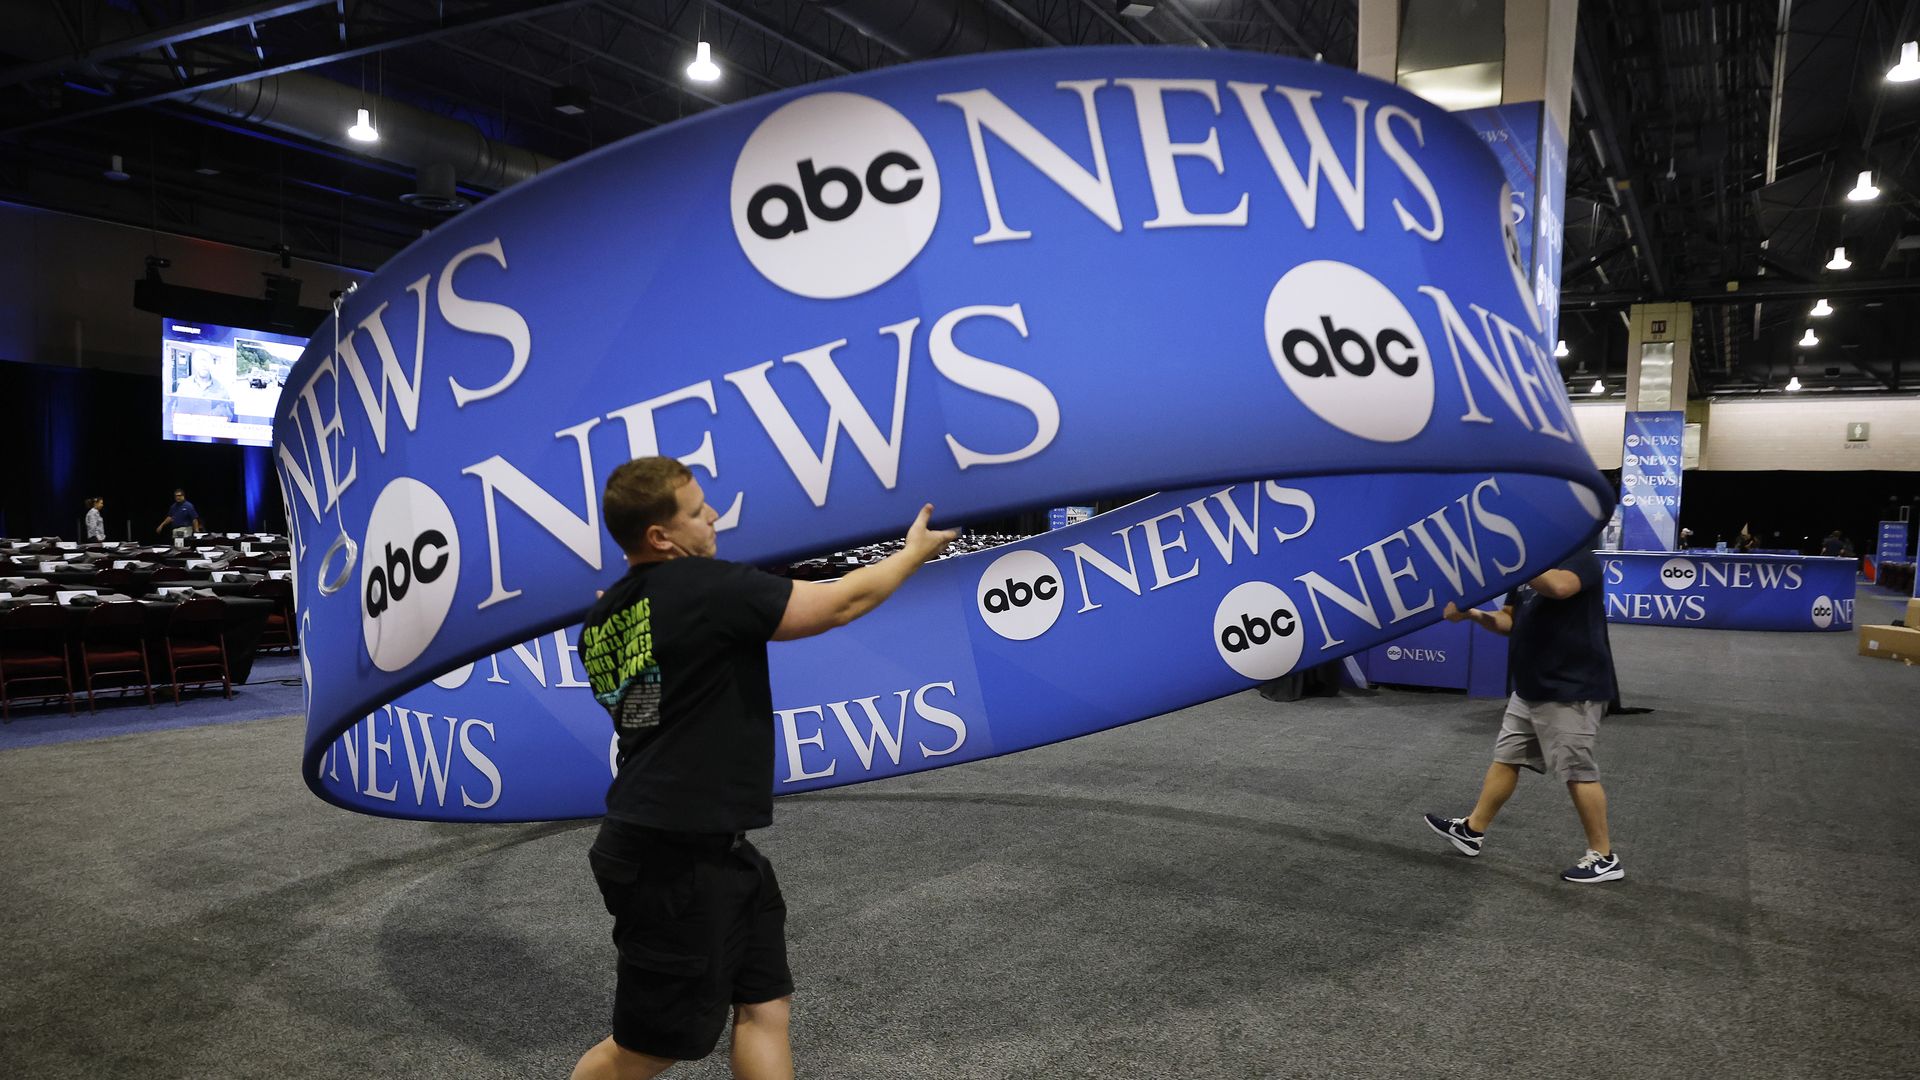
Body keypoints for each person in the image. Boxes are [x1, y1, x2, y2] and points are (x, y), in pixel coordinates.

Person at [571, 456, 957, 1080]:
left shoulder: (604, 616)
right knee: (647, 1046)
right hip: (672, 859)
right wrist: (913, 553)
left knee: (764, 1004)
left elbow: (639, 698)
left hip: (711, 851)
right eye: (698, 512)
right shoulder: (707, 588)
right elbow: (838, 604)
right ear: (660, 538)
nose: (714, 515)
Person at [1422, 535, 1624, 883]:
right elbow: (1508, 622)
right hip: (1531, 685)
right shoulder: (1526, 571)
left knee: (1577, 770)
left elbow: (1560, 588)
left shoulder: (1580, 558)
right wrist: (1472, 615)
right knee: (1507, 758)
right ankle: (1472, 830)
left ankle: (1604, 857)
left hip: (1570, 687)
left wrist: (1514, 563)